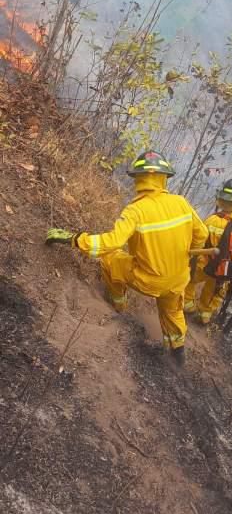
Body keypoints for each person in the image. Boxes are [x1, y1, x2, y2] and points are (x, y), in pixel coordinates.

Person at [46, 150, 208, 366]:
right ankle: (177, 354)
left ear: (138, 179)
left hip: (148, 280)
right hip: (178, 279)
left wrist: (76, 240)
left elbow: (112, 243)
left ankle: (118, 305)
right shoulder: (181, 203)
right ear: (164, 177)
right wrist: (188, 253)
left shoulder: (135, 210)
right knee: (172, 312)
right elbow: (203, 234)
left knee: (110, 260)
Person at [184, 177, 232, 325]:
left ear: (223, 199)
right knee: (214, 291)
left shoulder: (213, 220)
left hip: (206, 265)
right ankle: (204, 316)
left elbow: (200, 241)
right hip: (230, 268)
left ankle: (187, 306)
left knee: (190, 280)